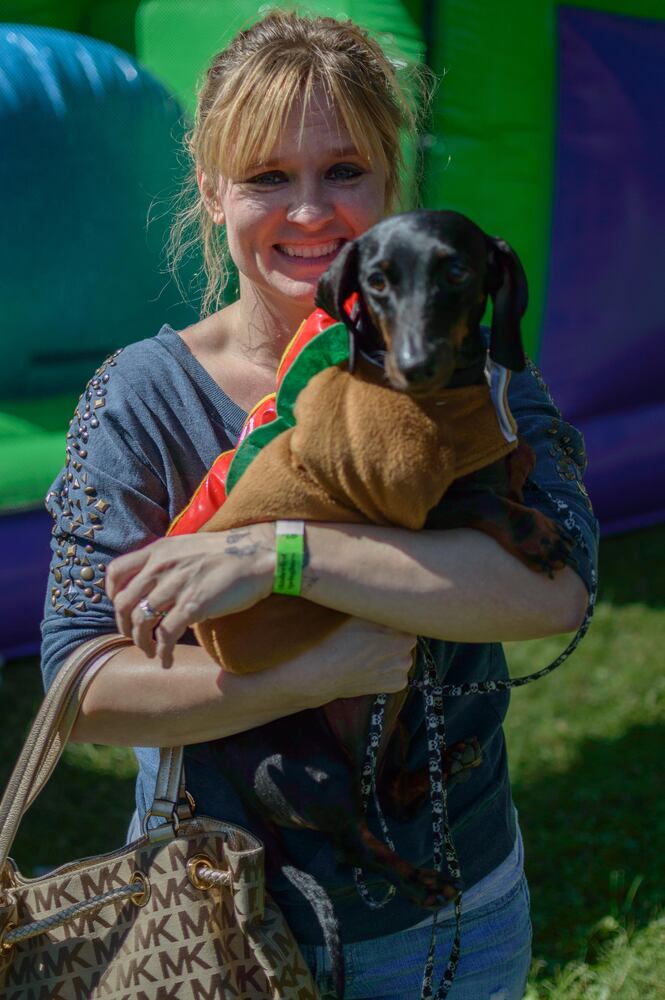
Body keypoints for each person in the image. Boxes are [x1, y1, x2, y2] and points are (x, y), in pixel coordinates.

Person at [41, 11, 598, 999]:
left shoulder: (482, 372)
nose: (309, 213)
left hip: (453, 925)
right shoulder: (138, 395)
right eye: (265, 178)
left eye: (343, 170)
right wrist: (301, 675)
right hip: (212, 924)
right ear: (210, 190)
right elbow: (79, 687)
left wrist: (281, 556)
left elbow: (551, 595)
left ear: (391, 182)